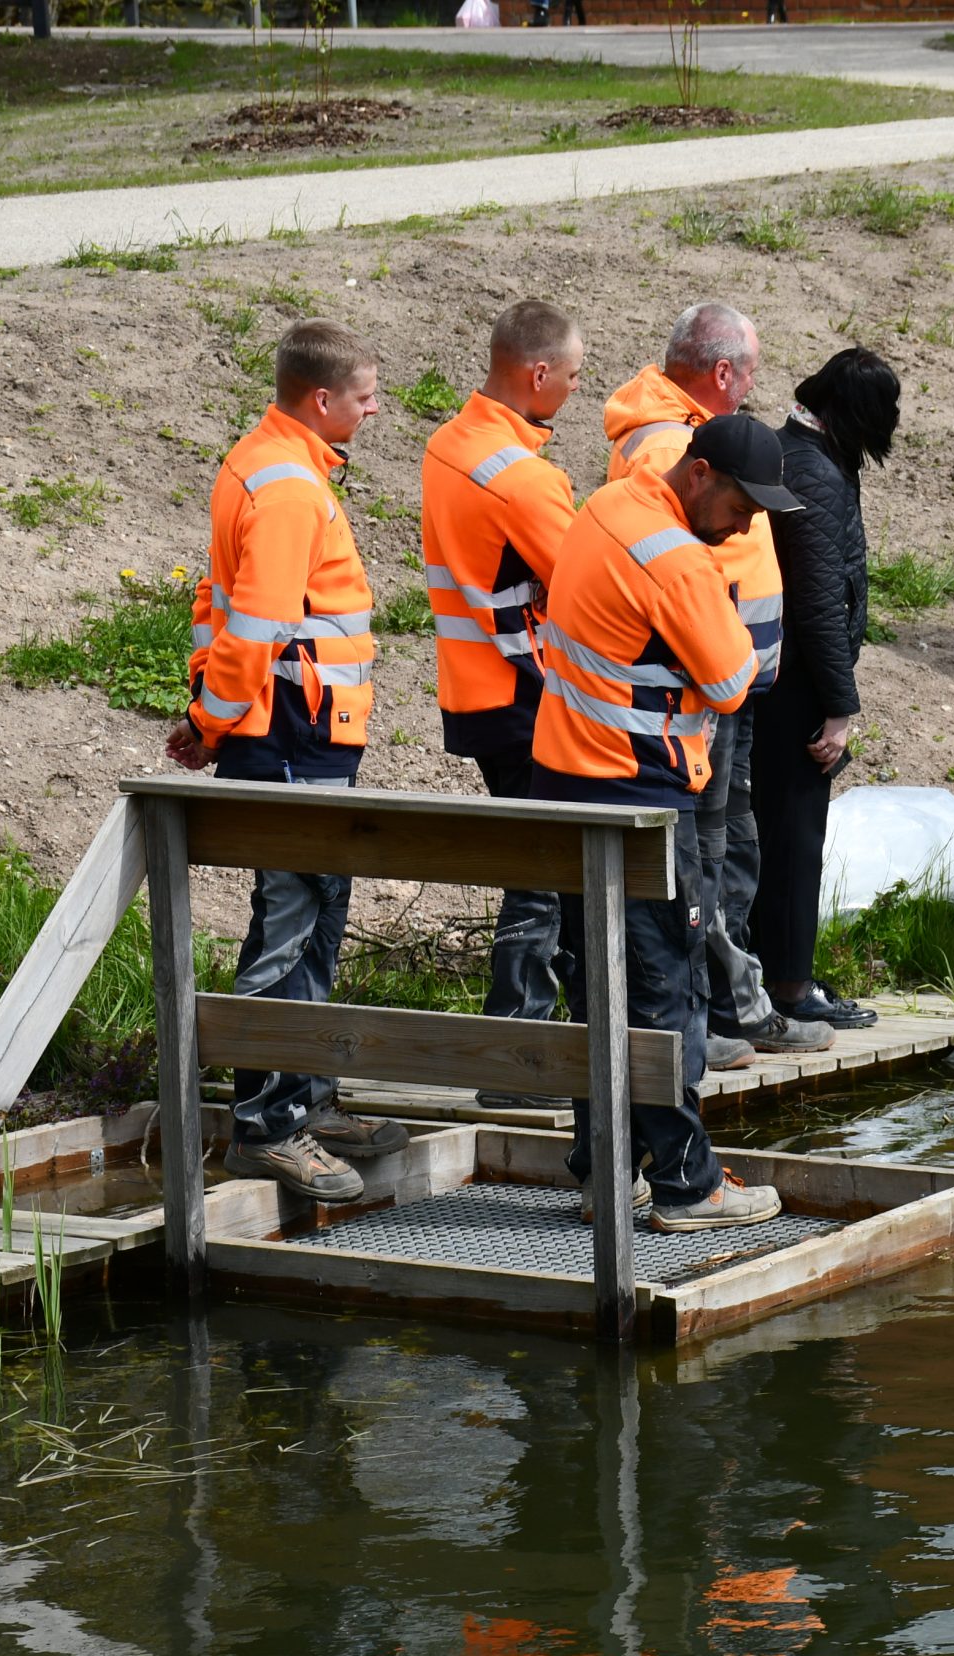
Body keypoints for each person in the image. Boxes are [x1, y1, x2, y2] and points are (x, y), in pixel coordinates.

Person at [532, 413, 797, 1233]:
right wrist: (715, 616)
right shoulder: (678, 558)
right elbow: (733, 678)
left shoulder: (609, 504)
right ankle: (689, 1184)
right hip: (640, 797)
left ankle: (605, 1171)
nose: (745, 527)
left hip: (565, 784)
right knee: (663, 992)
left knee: (595, 986)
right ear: (699, 473)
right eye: (741, 506)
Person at [165, 318, 407, 1204]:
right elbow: (257, 627)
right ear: (321, 398)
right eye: (365, 396)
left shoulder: (262, 461)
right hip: (295, 733)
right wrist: (212, 721)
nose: (375, 410)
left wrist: (211, 716)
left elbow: (219, 604)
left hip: (297, 729)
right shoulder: (292, 488)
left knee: (314, 911)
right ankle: (267, 1125)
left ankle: (306, 1098)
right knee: (292, 919)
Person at [603, 304, 854, 1048]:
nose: (752, 389)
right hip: (702, 690)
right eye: (749, 374)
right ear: (722, 373)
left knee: (727, 844)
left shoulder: (692, 433)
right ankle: (720, 1011)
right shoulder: (672, 446)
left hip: (727, 684)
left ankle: (728, 1003)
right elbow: (676, 569)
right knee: (711, 851)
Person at [419, 299, 585, 1109]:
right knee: (544, 877)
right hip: (530, 696)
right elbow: (593, 585)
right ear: (538, 373)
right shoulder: (524, 479)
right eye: (574, 375)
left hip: (476, 691)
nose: (578, 389)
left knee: (537, 871)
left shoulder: (448, 443)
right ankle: (521, 1059)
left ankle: (529, 1051)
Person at [753, 348, 900, 1014]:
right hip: (798, 686)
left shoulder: (798, 451)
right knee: (794, 838)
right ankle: (789, 985)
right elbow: (816, 604)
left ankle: (768, 975)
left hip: (778, 675)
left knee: (769, 833)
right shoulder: (815, 472)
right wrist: (840, 710)